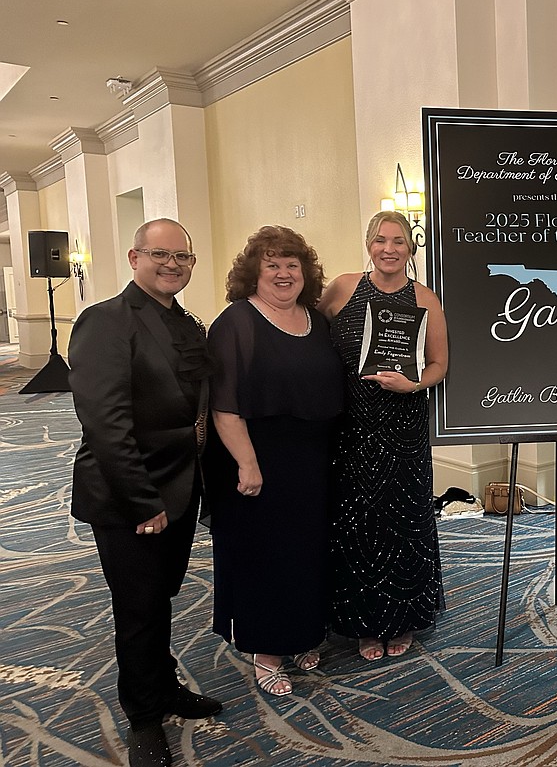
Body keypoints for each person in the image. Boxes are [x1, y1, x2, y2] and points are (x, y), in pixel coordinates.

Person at [69, 219, 222, 767]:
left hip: (181, 488)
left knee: (160, 599)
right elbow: (106, 424)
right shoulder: (105, 321)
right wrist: (143, 502)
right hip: (129, 496)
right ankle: (144, 719)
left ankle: (164, 689)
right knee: (136, 609)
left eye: (183, 257)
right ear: (134, 257)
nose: (174, 265)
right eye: (161, 254)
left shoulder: (188, 323)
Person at [205, 226, 344, 696]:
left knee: (308, 549)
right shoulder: (237, 323)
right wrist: (247, 463)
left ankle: (303, 634)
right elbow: (224, 406)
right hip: (257, 457)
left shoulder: (316, 321)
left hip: (312, 458)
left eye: (292, 264)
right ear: (253, 274)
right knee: (266, 555)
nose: (284, 273)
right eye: (272, 265)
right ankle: (267, 653)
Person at [318, 211, 449, 660]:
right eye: (380, 240)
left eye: (398, 241)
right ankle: (363, 624)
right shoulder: (342, 288)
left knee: (403, 521)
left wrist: (412, 384)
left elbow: (439, 365)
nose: (388, 248)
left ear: (411, 248)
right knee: (355, 522)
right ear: (368, 244)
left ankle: (402, 619)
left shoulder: (425, 299)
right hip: (350, 425)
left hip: (403, 427)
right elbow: (307, 334)